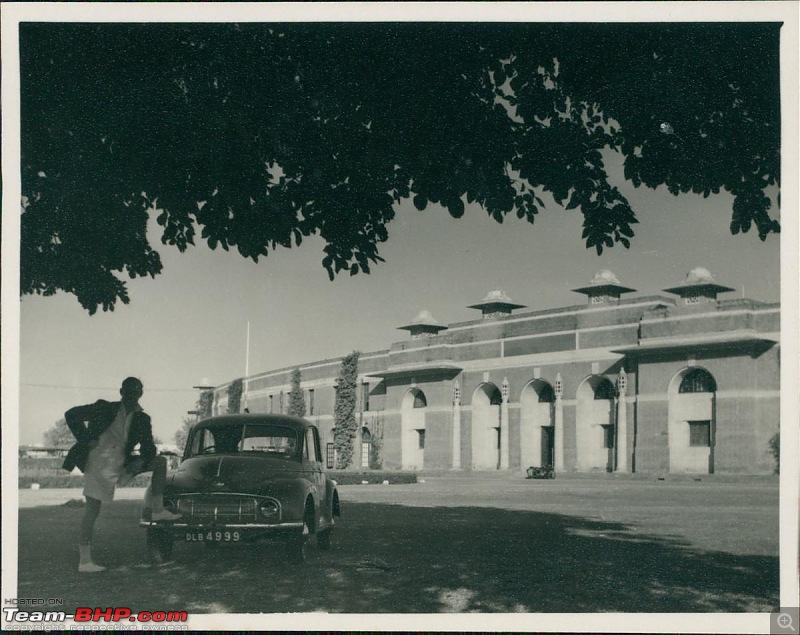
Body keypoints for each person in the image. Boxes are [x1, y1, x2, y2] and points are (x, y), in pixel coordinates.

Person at [63, 377, 180, 572]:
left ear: (141, 393)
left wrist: (142, 460)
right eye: (129, 391)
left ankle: (158, 509)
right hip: (98, 462)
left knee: (160, 461)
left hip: (123, 463)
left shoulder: (143, 418)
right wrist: (86, 438)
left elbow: (149, 447)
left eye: (136, 392)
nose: (133, 395)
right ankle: (84, 562)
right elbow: (71, 414)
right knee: (92, 511)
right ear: (121, 392)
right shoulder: (103, 407)